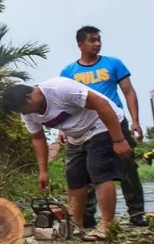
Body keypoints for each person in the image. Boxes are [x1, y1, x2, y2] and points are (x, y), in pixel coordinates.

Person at [2, 78, 132, 237]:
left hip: (102, 125)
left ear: (29, 97)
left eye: (25, 109)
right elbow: (38, 138)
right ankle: (75, 225)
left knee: (100, 172)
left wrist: (118, 140)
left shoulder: (60, 89)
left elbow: (101, 104)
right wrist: (43, 171)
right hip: (76, 136)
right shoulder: (28, 113)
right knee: (74, 177)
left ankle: (108, 226)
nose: (26, 114)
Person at [60, 26, 147, 226]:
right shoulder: (69, 72)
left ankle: (136, 213)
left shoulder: (113, 64)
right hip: (87, 127)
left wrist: (135, 120)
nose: (97, 43)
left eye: (98, 39)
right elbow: (65, 102)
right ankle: (88, 215)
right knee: (89, 171)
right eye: (92, 40)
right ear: (80, 44)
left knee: (127, 167)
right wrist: (63, 129)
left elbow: (129, 92)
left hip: (115, 122)